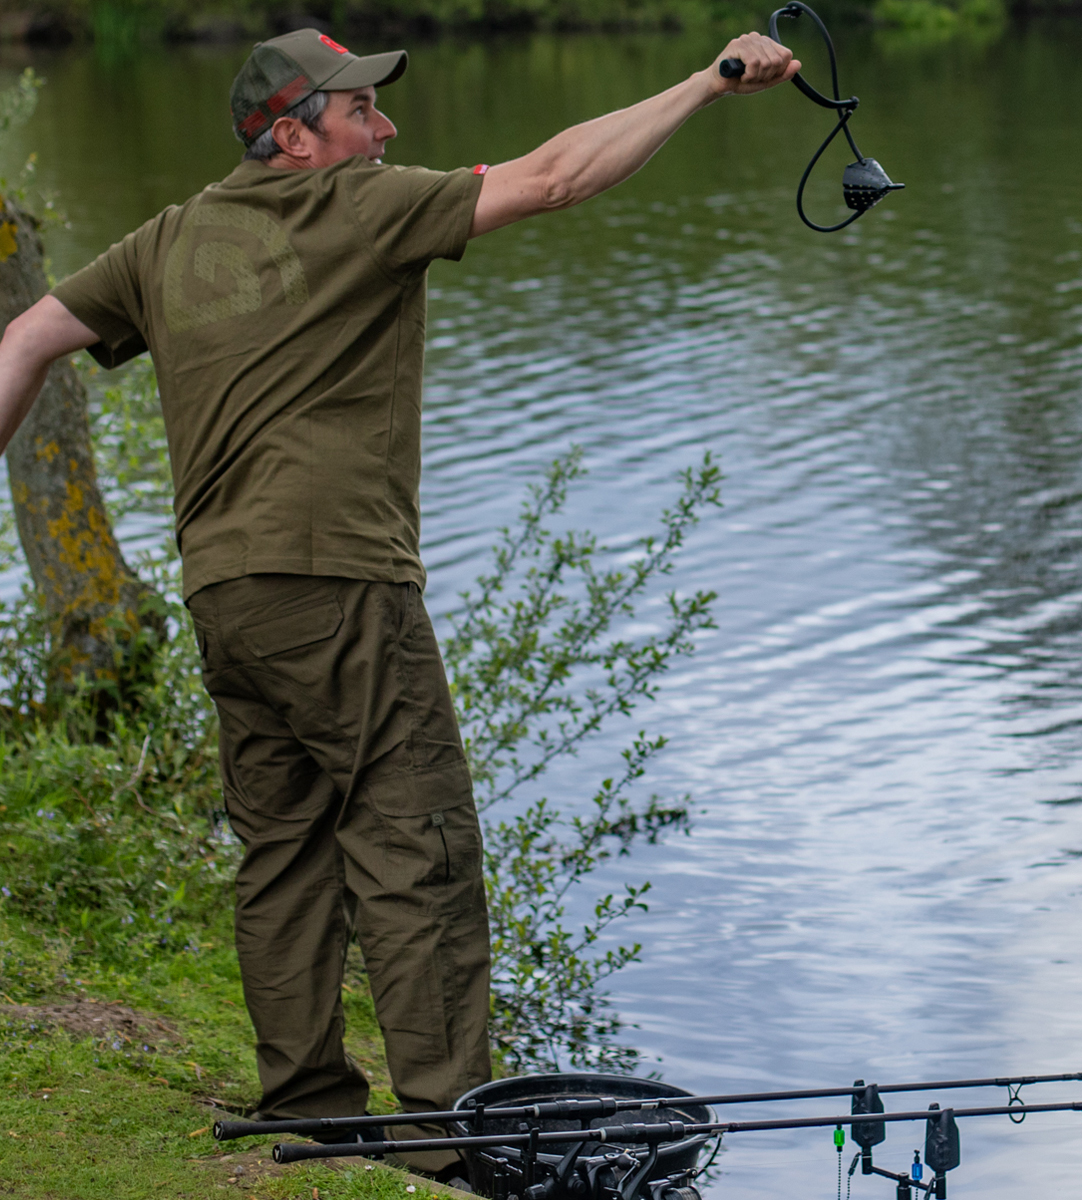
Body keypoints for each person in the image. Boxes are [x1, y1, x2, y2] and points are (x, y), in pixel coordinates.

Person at [0, 27, 799, 1177]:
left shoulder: (164, 242)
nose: (384, 129)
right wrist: (709, 82)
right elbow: (558, 174)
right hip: (340, 586)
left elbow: (27, 336)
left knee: (281, 850)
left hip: (227, 595)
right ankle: (442, 1135)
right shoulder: (356, 210)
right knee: (414, 840)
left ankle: (312, 1105)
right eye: (359, 112)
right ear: (292, 138)